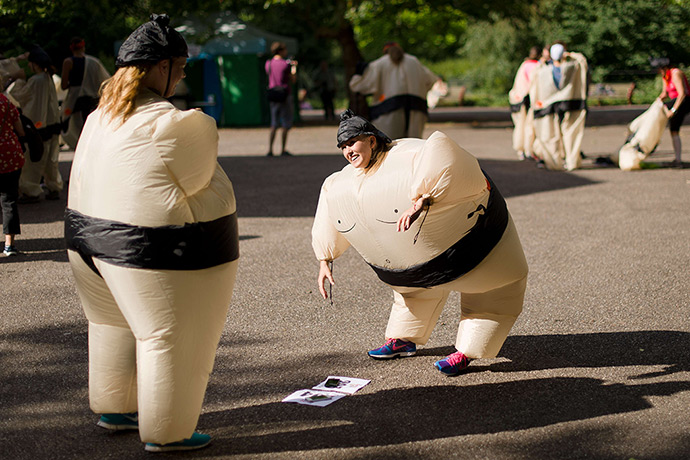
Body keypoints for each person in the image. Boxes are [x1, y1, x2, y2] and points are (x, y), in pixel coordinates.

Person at [64, 14, 239, 452]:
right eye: (179, 67)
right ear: (160, 67)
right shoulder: (178, 124)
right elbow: (202, 177)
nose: (182, 76)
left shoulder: (100, 116)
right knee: (172, 338)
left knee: (110, 323)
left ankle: (115, 406)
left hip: (87, 242)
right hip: (152, 251)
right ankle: (169, 431)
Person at [312, 111, 528, 376]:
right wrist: (325, 259)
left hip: (479, 252)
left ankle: (467, 351)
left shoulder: (408, 156)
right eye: (343, 146)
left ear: (371, 140)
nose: (348, 150)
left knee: (490, 297)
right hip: (412, 272)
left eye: (352, 142)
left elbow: (446, 155)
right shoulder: (340, 183)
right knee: (412, 296)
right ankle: (404, 339)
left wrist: (424, 197)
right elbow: (329, 212)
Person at [349, 42, 439, 140]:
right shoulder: (414, 61)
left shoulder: (380, 64)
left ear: (385, 52)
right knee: (414, 146)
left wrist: (357, 75)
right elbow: (431, 80)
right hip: (416, 110)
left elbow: (358, 86)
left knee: (390, 146)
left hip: (388, 112)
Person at [9, 46, 63, 201]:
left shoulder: (35, 80)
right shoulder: (48, 77)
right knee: (51, 160)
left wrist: (18, 80)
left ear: (34, 63)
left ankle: (30, 190)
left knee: (34, 160)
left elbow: (20, 96)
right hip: (52, 124)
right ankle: (54, 187)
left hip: (38, 125)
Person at [529, 42, 588, 171]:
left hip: (549, 107)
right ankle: (572, 161)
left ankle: (554, 163)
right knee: (570, 134)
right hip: (569, 104)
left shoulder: (542, 71)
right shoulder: (573, 66)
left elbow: (534, 83)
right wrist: (570, 54)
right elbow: (582, 59)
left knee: (551, 136)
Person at [60, 37, 111, 150]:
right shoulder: (94, 62)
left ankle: (81, 147)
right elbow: (105, 80)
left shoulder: (68, 62)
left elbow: (63, 85)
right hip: (92, 99)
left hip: (75, 100)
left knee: (75, 126)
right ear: (83, 47)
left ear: (71, 48)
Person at [0, 77, 25, 256]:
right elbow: (21, 130)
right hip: (10, 154)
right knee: (9, 201)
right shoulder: (7, 103)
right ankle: (9, 245)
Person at [653, 57, 688, 168]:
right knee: (672, 130)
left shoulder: (675, 73)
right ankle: (677, 159)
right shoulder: (666, 76)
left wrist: (673, 110)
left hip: (683, 102)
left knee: (674, 129)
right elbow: (665, 94)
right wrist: (655, 104)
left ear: (664, 67)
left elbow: (682, 94)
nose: (658, 72)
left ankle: (678, 160)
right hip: (674, 102)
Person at [509, 46, 541, 160]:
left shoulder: (524, 65)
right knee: (530, 125)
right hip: (531, 98)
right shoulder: (538, 66)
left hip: (520, 98)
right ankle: (529, 149)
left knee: (520, 125)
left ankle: (520, 149)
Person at [265, 41, 297, 156]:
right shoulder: (286, 64)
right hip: (284, 95)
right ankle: (283, 149)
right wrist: (294, 68)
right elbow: (293, 79)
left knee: (273, 123)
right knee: (285, 123)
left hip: (273, 95)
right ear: (281, 51)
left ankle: (270, 149)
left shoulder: (268, 63)